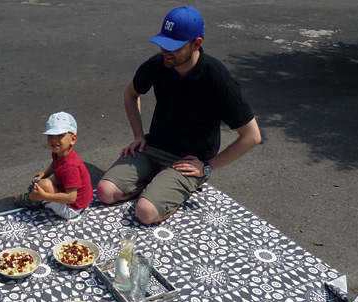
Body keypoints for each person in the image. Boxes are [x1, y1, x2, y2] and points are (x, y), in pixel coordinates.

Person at [97, 6, 261, 225]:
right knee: (104, 191)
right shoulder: (158, 64)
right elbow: (131, 93)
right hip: (153, 147)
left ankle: (160, 193)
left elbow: (252, 136)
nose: (166, 50)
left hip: (188, 161)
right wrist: (139, 135)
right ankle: (153, 186)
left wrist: (209, 166)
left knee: (144, 212)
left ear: (197, 43)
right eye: (164, 42)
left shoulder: (218, 79)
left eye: (174, 46)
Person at [14, 112, 93, 219]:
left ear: (73, 139)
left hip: (72, 208)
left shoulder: (70, 167)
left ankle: (33, 200)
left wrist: (44, 196)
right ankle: (37, 195)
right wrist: (46, 173)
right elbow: (55, 164)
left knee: (45, 184)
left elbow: (71, 198)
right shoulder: (60, 153)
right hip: (77, 200)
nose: (54, 140)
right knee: (43, 182)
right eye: (51, 135)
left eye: (60, 135)